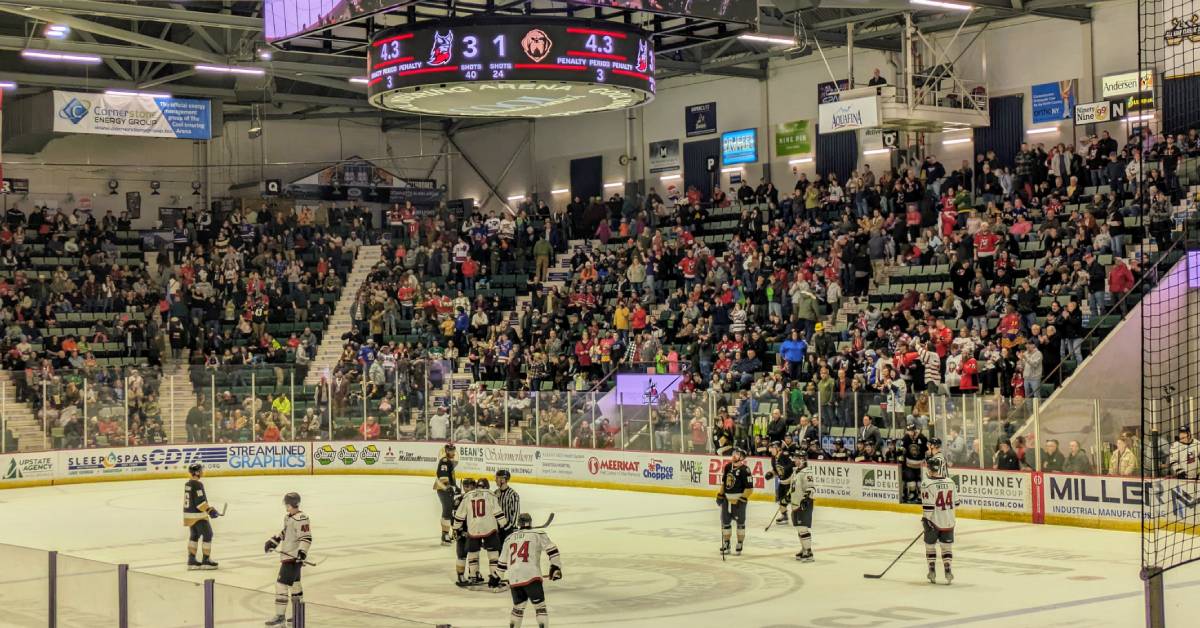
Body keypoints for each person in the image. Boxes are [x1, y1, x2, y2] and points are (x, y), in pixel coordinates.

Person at [498, 513, 562, 628]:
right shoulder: (538, 534)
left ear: (518, 524)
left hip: (514, 578)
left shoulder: (509, 538)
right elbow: (553, 550)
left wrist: (496, 577)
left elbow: (501, 563)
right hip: (531, 575)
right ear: (530, 522)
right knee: (540, 607)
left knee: (518, 608)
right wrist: (555, 567)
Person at [263, 492, 313, 626]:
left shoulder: (301, 518)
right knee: (295, 585)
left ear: (290, 504)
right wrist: (274, 541)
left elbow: (306, 537)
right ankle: (298, 613)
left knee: (281, 586)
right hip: (289, 556)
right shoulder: (289, 517)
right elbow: (286, 532)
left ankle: (280, 616)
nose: (285, 506)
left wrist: (302, 553)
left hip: (292, 558)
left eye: (286, 503)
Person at [455, 474, 510, 590]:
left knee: (473, 553)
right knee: (493, 554)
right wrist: (506, 525)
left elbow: (459, 515)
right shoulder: (491, 494)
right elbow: (498, 512)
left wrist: (456, 527)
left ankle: (473, 576)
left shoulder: (468, 496)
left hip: (473, 528)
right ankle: (495, 578)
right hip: (489, 528)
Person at [921, 452, 959, 584]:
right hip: (949, 521)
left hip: (933, 521)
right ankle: (948, 571)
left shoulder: (927, 484)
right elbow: (957, 503)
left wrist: (926, 521)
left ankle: (932, 571)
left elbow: (928, 508)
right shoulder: (950, 481)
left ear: (929, 469)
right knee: (946, 547)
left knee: (930, 546)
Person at [716, 448, 754, 556]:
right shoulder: (728, 467)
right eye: (733, 453)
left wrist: (742, 499)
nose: (734, 455)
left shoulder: (745, 470)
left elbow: (749, 488)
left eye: (737, 454)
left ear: (742, 457)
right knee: (725, 522)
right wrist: (720, 494)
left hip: (739, 501)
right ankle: (727, 544)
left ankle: (739, 543)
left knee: (740, 523)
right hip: (726, 501)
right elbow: (724, 483)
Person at [183, 462, 221, 570]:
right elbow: (200, 503)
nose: (203, 472)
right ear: (197, 472)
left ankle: (191, 560)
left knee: (194, 536)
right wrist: (210, 510)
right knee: (208, 534)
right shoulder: (197, 485)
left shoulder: (188, 484)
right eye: (201, 470)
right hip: (198, 516)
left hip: (189, 516)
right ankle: (206, 560)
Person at [787, 450, 816, 562]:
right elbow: (793, 488)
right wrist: (788, 496)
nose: (795, 460)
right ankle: (804, 548)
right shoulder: (796, 472)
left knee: (803, 528)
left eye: (797, 458)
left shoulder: (806, 472)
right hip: (795, 503)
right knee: (799, 528)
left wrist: (806, 499)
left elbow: (811, 487)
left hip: (803, 504)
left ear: (803, 459)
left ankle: (808, 552)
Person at [452, 478, 477, 587]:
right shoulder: (459, 500)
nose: (467, 489)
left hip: (474, 530)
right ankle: (460, 576)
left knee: (474, 553)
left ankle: (474, 574)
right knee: (461, 554)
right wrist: (461, 531)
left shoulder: (476, 499)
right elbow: (454, 518)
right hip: (462, 531)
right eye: (466, 486)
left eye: (470, 486)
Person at [764, 441, 794, 524]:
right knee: (780, 500)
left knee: (793, 500)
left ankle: (800, 516)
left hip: (791, 482)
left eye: (772, 448)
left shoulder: (785, 455)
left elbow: (793, 466)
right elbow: (776, 470)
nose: (770, 450)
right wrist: (771, 474)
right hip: (782, 482)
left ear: (778, 448)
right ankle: (784, 516)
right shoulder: (773, 458)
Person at [434, 443, 459, 545]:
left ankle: (452, 533)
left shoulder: (449, 461)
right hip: (443, 489)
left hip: (446, 489)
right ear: (446, 450)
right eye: (450, 450)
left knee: (450, 510)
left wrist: (454, 486)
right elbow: (443, 475)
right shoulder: (444, 461)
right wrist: (448, 487)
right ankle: (444, 535)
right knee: (447, 510)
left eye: (453, 450)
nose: (452, 452)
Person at [900, 424, 928, 504]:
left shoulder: (922, 438)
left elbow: (927, 450)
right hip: (909, 465)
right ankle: (912, 494)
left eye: (911, 431)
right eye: (908, 431)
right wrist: (900, 451)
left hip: (920, 465)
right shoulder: (906, 438)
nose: (910, 433)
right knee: (910, 480)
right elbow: (902, 448)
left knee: (920, 482)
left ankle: (920, 494)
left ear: (915, 430)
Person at [494, 469, 522, 545]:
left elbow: (516, 513)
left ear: (503, 480)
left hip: (507, 529)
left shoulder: (513, 495)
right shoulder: (495, 493)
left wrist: (514, 528)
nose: (495, 480)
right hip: (496, 529)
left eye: (497, 478)